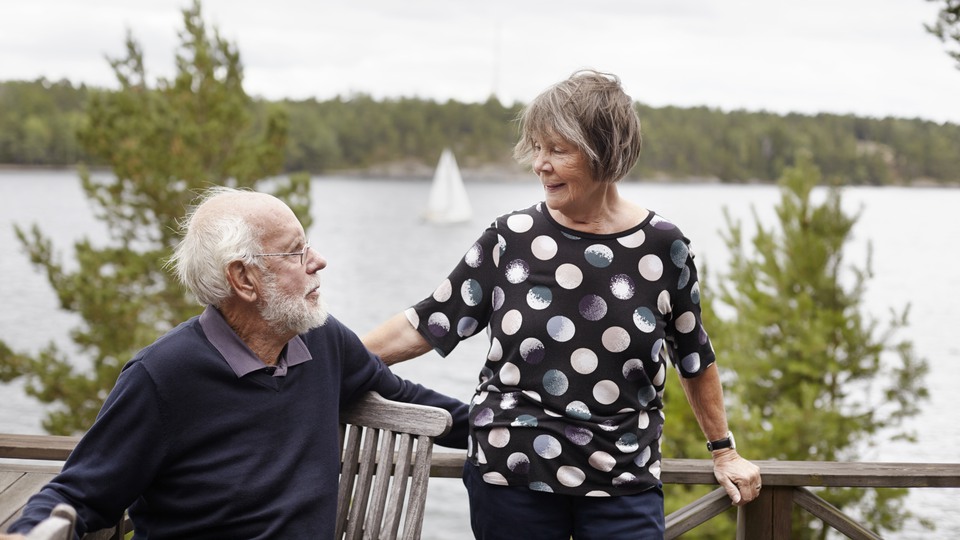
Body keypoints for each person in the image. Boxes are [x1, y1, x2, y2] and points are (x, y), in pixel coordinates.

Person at [361, 69, 761, 539]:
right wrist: (330, 356)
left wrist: (724, 451)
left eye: (557, 149)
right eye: (536, 147)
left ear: (604, 153)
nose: (539, 164)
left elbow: (693, 356)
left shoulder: (663, 247)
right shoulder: (511, 238)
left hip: (622, 477)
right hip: (511, 468)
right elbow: (426, 324)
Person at [2, 187, 468, 539]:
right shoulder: (163, 375)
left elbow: (407, 398)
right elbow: (80, 493)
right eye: (295, 251)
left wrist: (513, 425)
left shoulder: (322, 340)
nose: (318, 261)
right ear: (244, 278)